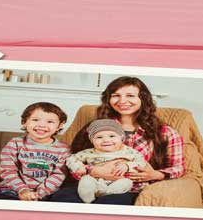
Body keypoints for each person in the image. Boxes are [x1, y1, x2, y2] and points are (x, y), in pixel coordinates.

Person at [48, 76, 184, 207]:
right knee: (62, 198)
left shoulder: (165, 132)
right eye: (116, 95)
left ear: (143, 98)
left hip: (128, 188)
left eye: (130, 95)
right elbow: (73, 160)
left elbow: (178, 167)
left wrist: (155, 175)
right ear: (108, 99)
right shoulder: (95, 128)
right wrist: (93, 171)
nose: (122, 100)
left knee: (108, 203)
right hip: (90, 184)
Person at [0, 102, 71, 201]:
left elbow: (58, 175)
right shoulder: (15, 144)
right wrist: (23, 190)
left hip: (47, 192)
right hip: (13, 190)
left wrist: (40, 193)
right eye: (35, 120)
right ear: (24, 122)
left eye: (50, 122)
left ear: (59, 126)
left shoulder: (63, 150)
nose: (42, 125)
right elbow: (8, 171)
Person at [65, 118, 149, 203]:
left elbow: (141, 162)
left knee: (126, 183)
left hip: (118, 181)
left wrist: (127, 166)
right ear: (92, 141)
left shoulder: (129, 151)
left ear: (121, 138)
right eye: (99, 137)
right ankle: (88, 202)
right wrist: (78, 167)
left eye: (112, 136)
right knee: (85, 181)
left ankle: (106, 194)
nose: (106, 140)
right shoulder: (89, 152)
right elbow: (71, 158)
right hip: (95, 180)